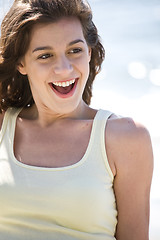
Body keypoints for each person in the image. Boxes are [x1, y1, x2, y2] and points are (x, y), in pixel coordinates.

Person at [0, 0, 153, 239]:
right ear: (21, 63)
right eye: (45, 55)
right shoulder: (3, 127)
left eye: (74, 51)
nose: (64, 69)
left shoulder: (125, 138)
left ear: (89, 52)